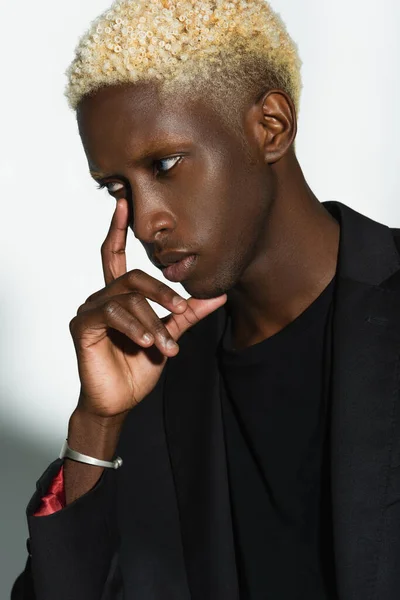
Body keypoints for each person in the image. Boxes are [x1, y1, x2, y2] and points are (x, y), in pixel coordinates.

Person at [11, 0, 400, 598]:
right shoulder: (152, 381)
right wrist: (97, 425)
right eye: (117, 190)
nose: (145, 223)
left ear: (270, 127)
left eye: (165, 165)